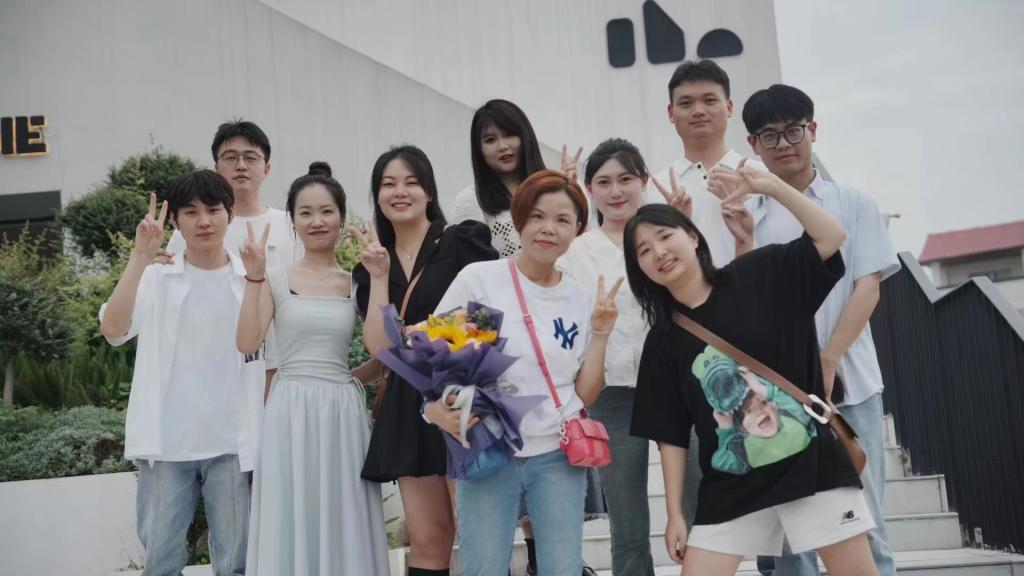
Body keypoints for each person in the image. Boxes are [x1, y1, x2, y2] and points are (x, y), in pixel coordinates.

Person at [625, 163, 880, 576]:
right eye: (643, 250)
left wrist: (773, 187)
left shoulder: (761, 273)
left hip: (809, 463)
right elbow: (670, 435)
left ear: (693, 236)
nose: (659, 253)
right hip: (732, 480)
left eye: (665, 236)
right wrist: (674, 514)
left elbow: (831, 237)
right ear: (640, 268)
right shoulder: (663, 339)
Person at [427, 169, 621, 576]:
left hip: (556, 455)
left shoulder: (579, 298)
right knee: (483, 567)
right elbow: (436, 357)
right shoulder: (481, 280)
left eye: (562, 220)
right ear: (519, 220)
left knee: (562, 569)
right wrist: (434, 408)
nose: (548, 228)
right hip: (488, 450)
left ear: (578, 229)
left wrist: (601, 333)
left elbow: (585, 393)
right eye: (537, 216)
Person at [741, 84, 900, 576]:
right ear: (753, 145)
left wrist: (828, 359)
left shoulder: (851, 202)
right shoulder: (747, 213)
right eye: (769, 136)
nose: (783, 144)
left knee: (865, 519)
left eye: (793, 130)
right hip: (777, 392)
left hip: (851, 383)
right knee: (791, 534)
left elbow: (867, 288)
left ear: (813, 130)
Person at [100, 171, 259, 576]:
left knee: (236, 563)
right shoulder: (156, 277)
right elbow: (113, 329)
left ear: (231, 214)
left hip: (231, 442)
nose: (203, 221)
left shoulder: (251, 279)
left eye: (213, 210)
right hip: (167, 443)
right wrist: (139, 258)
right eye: (190, 212)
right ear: (175, 221)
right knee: (161, 561)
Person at [236, 162, 390, 575]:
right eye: (305, 212)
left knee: (344, 511)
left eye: (326, 211)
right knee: (292, 510)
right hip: (289, 409)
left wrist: (347, 380)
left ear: (341, 217)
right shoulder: (273, 278)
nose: (317, 221)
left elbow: (384, 352)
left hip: (342, 414)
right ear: (292, 220)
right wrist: (253, 280)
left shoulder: (358, 281)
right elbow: (247, 343)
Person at [355, 145, 499, 576]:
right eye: (388, 184)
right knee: (427, 538)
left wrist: (423, 334)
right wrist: (379, 277)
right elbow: (381, 348)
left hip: (463, 395)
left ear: (429, 192)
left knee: (477, 530)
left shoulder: (462, 241)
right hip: (407, 401)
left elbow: (488, 317)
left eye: (411, 182)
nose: (400, 192)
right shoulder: (371, 264)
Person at [556, 138, 657, 575]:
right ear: (590, 190)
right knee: (628, 523)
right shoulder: (576, 251)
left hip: (672, 385)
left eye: (625, 179)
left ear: (643, 182)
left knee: (697, 508)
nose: (616, 191)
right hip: (610, 391)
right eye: (603, 182)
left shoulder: (665, 237)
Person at [166, 120, 301, 405]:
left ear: (267, 168)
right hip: (210, 367)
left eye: (251, 157)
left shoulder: (290, 226)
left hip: (281, 365)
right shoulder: (188, 231)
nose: (240, 166)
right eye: (230, 157)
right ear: (216, 167)